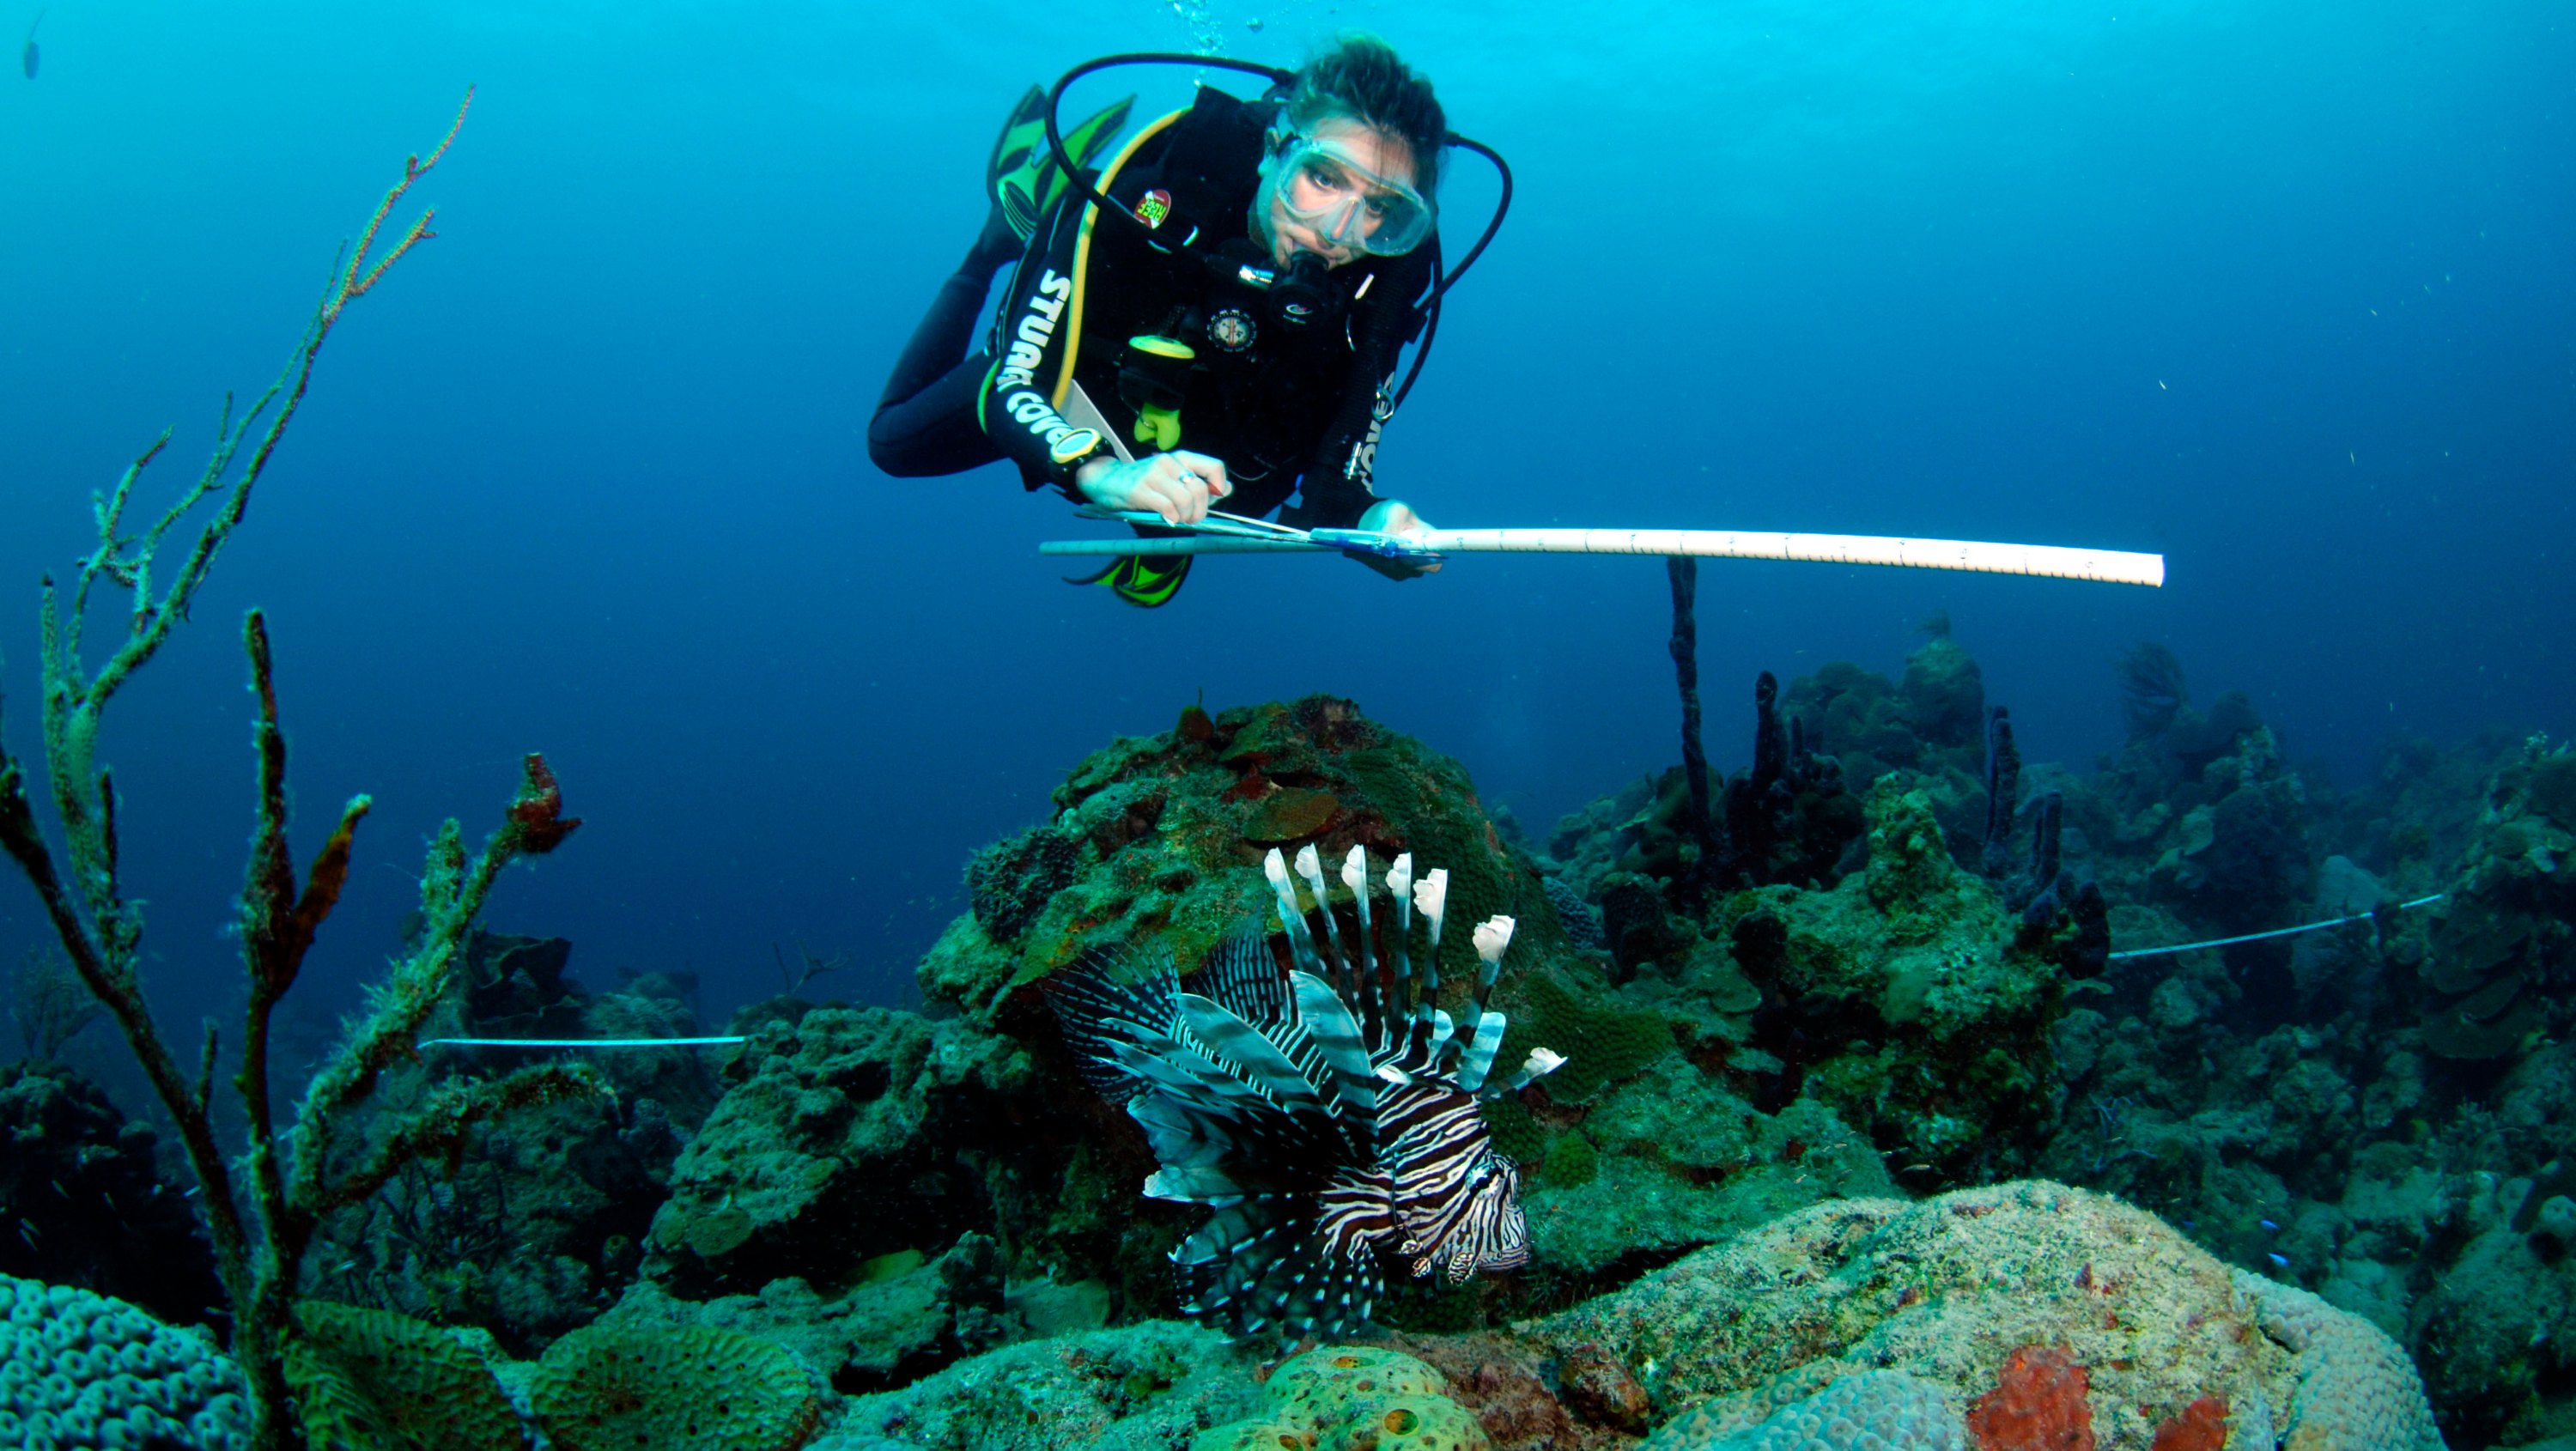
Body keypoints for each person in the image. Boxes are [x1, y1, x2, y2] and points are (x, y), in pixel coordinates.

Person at [867, 36, 1452, 605]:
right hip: (1064, 400)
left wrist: (1376, 519)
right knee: (893, 444)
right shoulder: (1159, 194)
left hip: (1182, 445)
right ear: (1275, 150)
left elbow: (1335, 488)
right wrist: (1098, 472)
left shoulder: (1388, 276)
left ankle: (1164, 523)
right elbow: (1017, 380)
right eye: (1323, 178)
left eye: (1379, 207)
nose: (1338, 232)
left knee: (1193, 531)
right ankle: (995, 238)